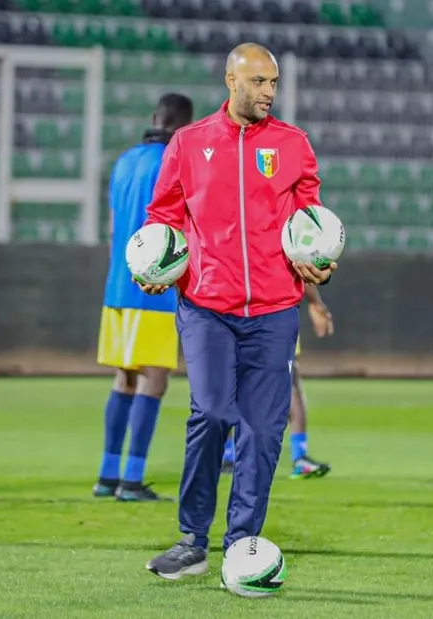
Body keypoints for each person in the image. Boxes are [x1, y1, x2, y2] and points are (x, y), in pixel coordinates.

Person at [139, 42, 336, 580]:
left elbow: (311, 221)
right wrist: (155, 264)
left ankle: (242, 543)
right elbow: (163, 217)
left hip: (274, 311)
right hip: (207, 307)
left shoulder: (293, 145)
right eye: (258, 81)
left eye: (273, 82)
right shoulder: (188, 143)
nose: (269, 91)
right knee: (212, 413)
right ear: (231, 81)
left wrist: (319, 264)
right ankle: (192, 540)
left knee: (263, 430)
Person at [94, 93, 195, 503]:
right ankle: (132, 480)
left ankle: (107, 475)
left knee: (125, 378)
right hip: (155, 288)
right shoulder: (174, 162)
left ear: (155, 118)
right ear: (185, 126)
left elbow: (113, 228)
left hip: (118, 285)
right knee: (155, 379)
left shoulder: (125, 162)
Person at [222, 285, 333, 478]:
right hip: (272, 309)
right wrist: (315, 301)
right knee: (287, 380)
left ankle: (228, 456)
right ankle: (298, 456)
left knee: (228, 378)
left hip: (245, 307)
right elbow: (300, 267)